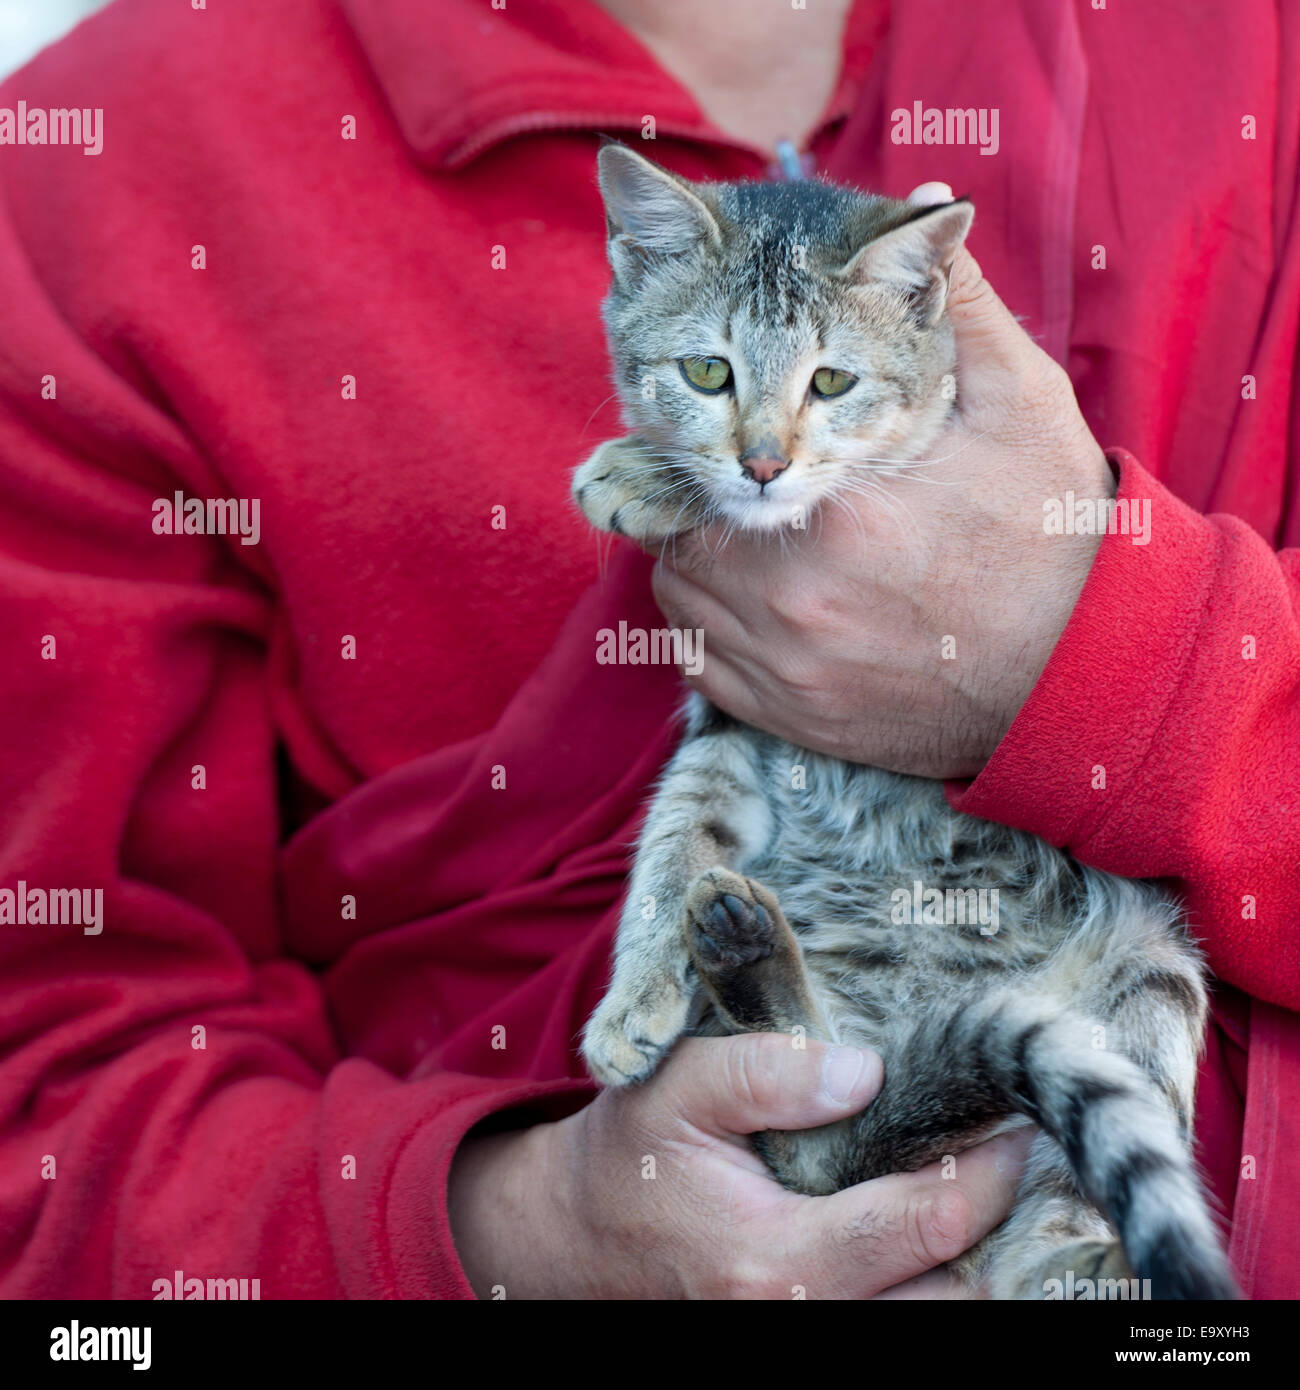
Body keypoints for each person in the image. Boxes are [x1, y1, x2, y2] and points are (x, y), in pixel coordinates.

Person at [0, 0, 1295, 1300]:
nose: (769, 452)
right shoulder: (100, 164)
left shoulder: (1247, 46)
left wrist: (1113, 656)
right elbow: (46, 1086)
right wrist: (518, 1234)